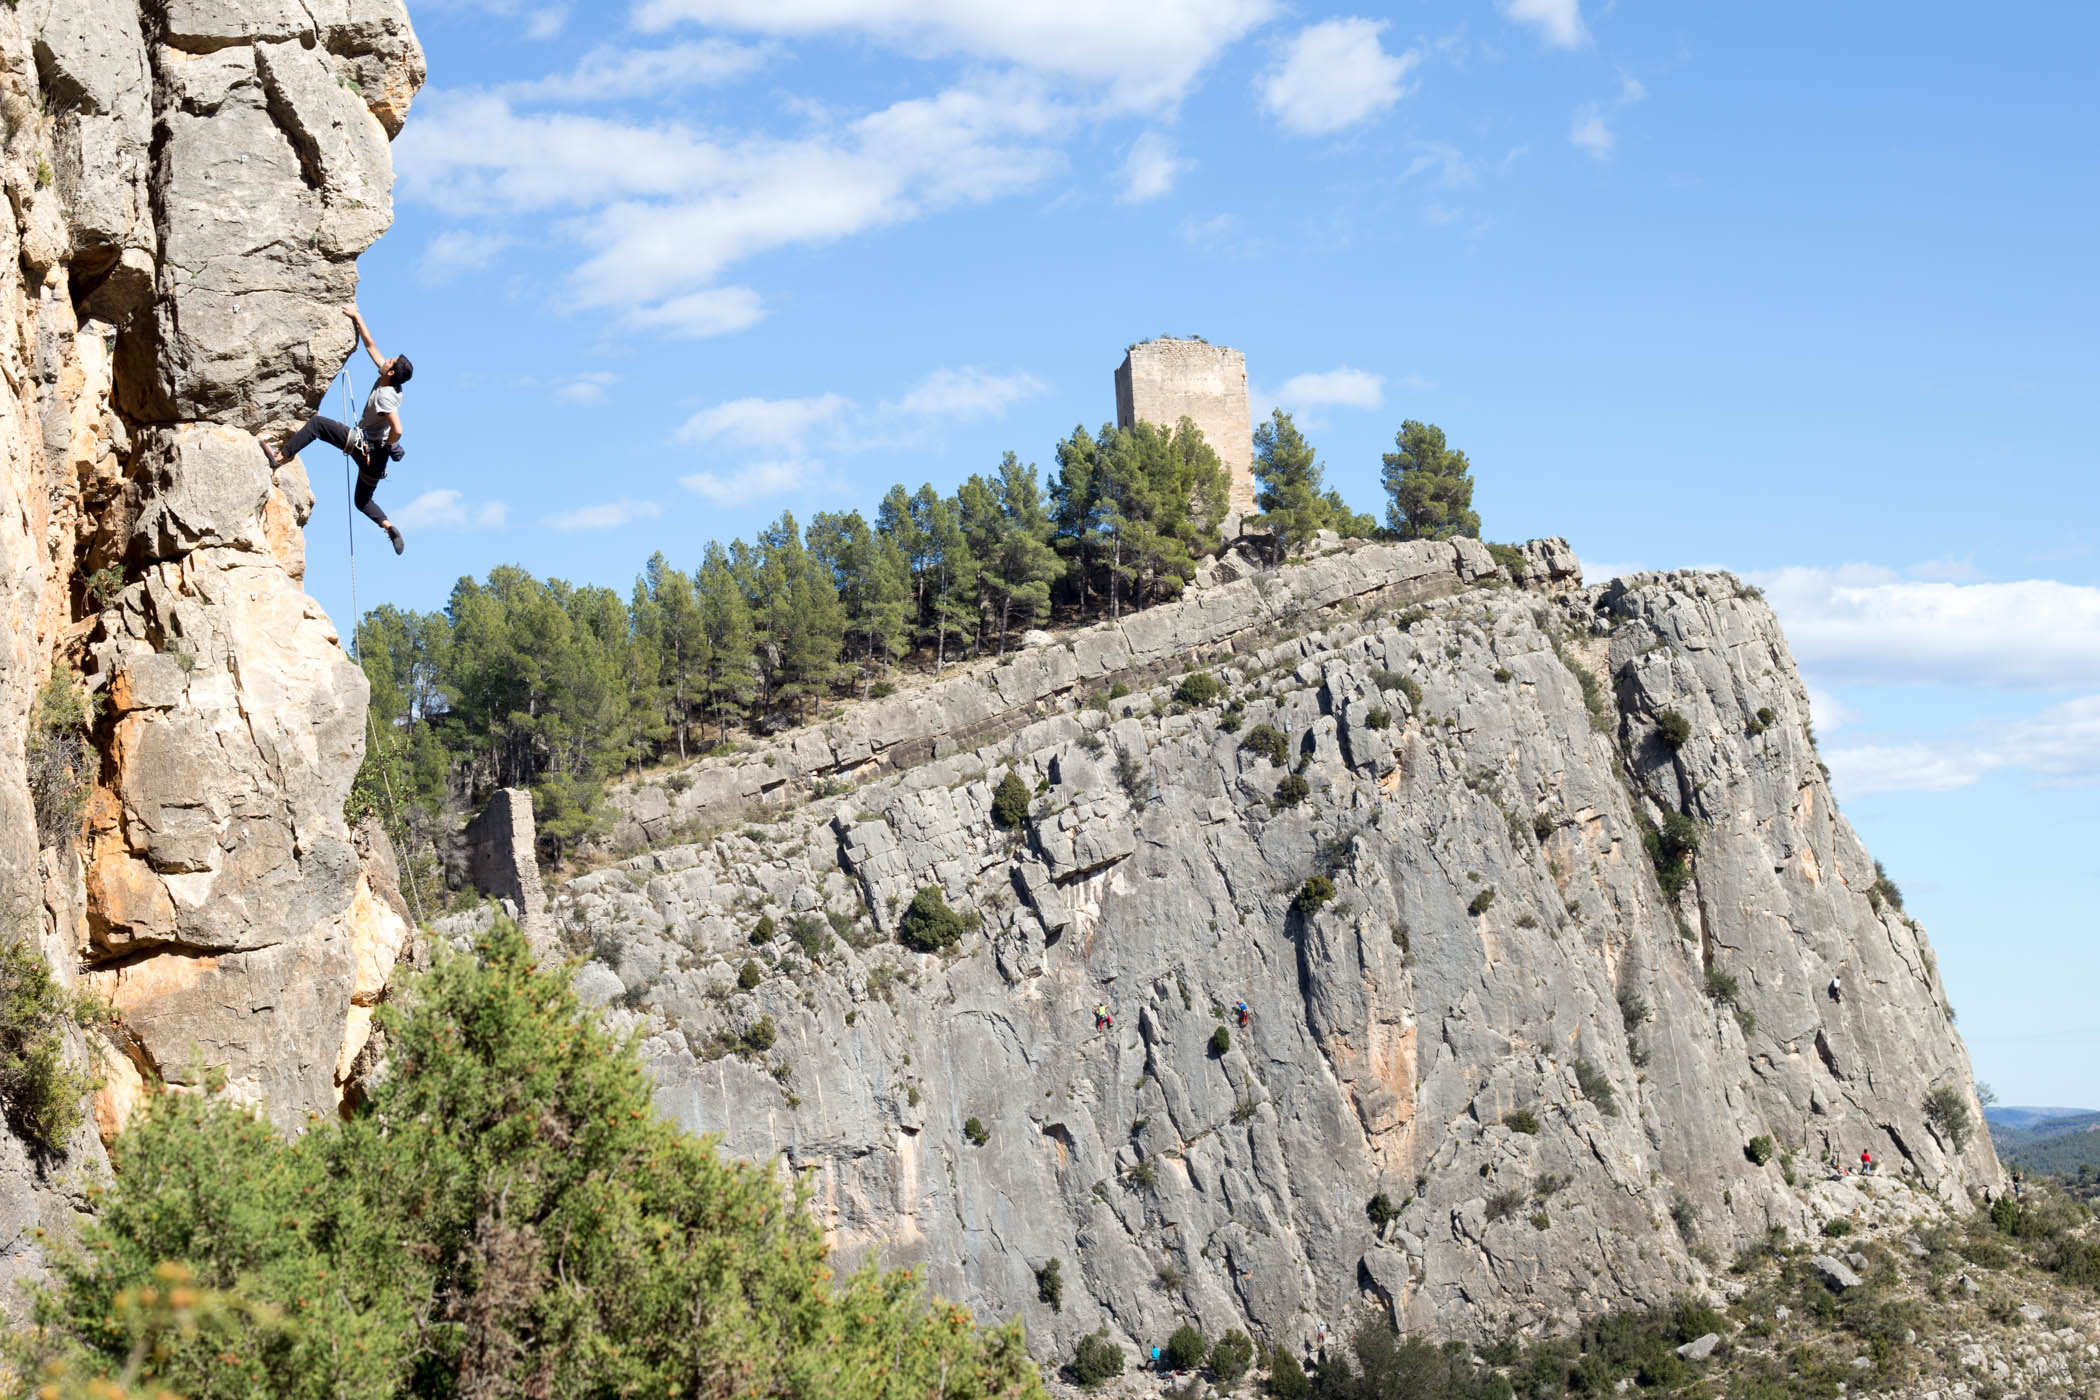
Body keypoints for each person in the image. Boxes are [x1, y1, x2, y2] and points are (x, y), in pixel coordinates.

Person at [264, 305, 414, 554]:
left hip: (367, 446)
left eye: (389, 361)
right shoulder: (391, 380)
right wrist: (358, 317)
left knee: (318, 425)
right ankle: (388, 526)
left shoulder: (386, 396)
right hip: (377, 462)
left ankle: (279, 457)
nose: (385, 359)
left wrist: (390, 443)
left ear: (389, 372)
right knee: (362, 501)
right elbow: (371, 347)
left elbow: (398, 428)